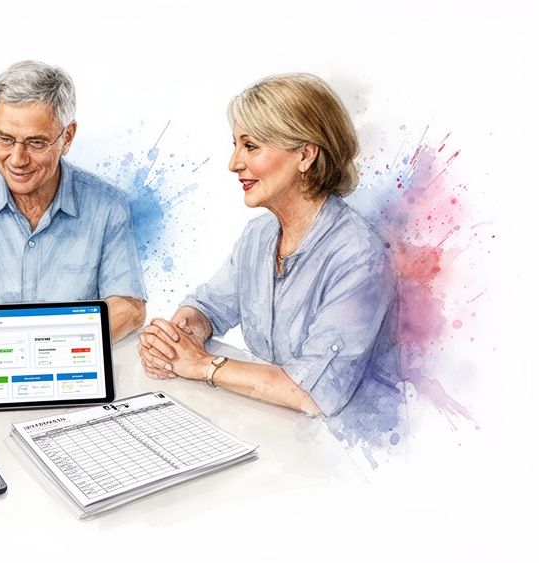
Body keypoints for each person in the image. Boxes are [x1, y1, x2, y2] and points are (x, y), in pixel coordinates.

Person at [138, 73, 400, 419]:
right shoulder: (259, 236)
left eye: (250, 146)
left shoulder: (359, 255)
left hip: (344, 440)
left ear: (305, 155)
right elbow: (208, 306)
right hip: (279, 427)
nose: (234, 163)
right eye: (235, 145)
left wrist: (202, 365)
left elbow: (314, 392)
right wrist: (176, 339)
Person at [0, 60, 146, 341]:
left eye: (36, 143)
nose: (17, 159)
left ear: (67, 137)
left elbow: (129, 307)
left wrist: (45, 340)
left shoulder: (109, 206)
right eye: (5, 139)